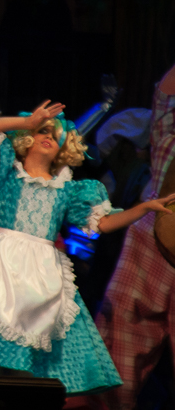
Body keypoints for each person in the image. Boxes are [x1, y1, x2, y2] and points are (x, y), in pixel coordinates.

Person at [0, 102, 175, 396]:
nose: (49, 135)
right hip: (3, 273)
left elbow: (103, 223)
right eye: (43, 130)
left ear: (63, 147)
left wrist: (143, 209)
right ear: (28, 138)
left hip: (42, 281)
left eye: (56, 134)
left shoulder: (68, 191)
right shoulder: (7, 174)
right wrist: (26, 121)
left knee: (28, 370)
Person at [92, 64, 175, 410]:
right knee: (116, 365)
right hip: (153, 237)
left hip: (153, 234)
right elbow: (165, 100)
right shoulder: (166, 139)